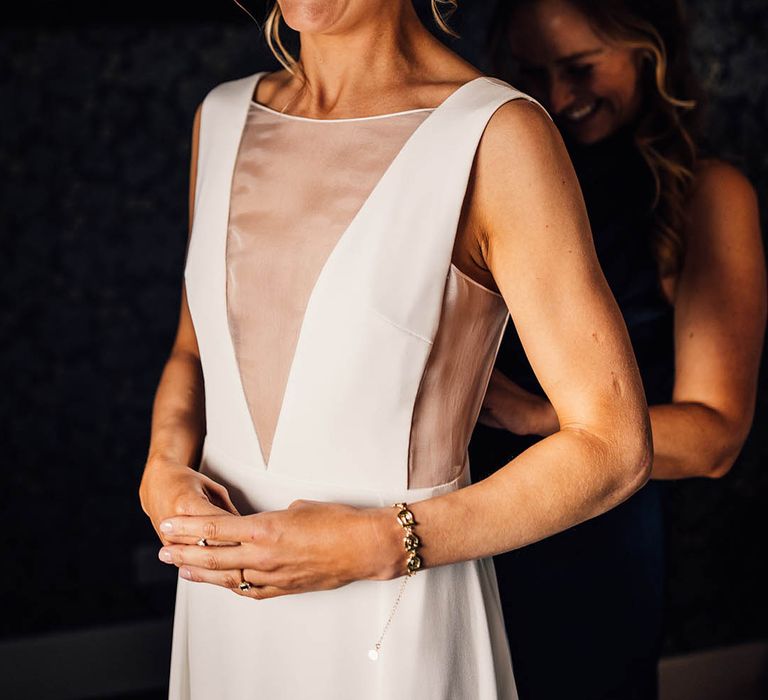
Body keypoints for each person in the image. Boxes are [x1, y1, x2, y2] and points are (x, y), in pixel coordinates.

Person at [138, 1, 654, 697]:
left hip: (393, 619)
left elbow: (613, 447)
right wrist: (163, 467)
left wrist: (385, 543)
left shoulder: (498, 136)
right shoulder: (223, 117)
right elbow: (193, 355)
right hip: (221, 600)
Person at [470, 1, 766, 698]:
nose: (556, 98)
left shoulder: (706, 196)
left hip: (592, 532)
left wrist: (538, 416)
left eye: (580, 68)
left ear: (646, 49)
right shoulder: (491, 172)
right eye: (531, 72)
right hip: (459, 516)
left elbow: (714, 438)